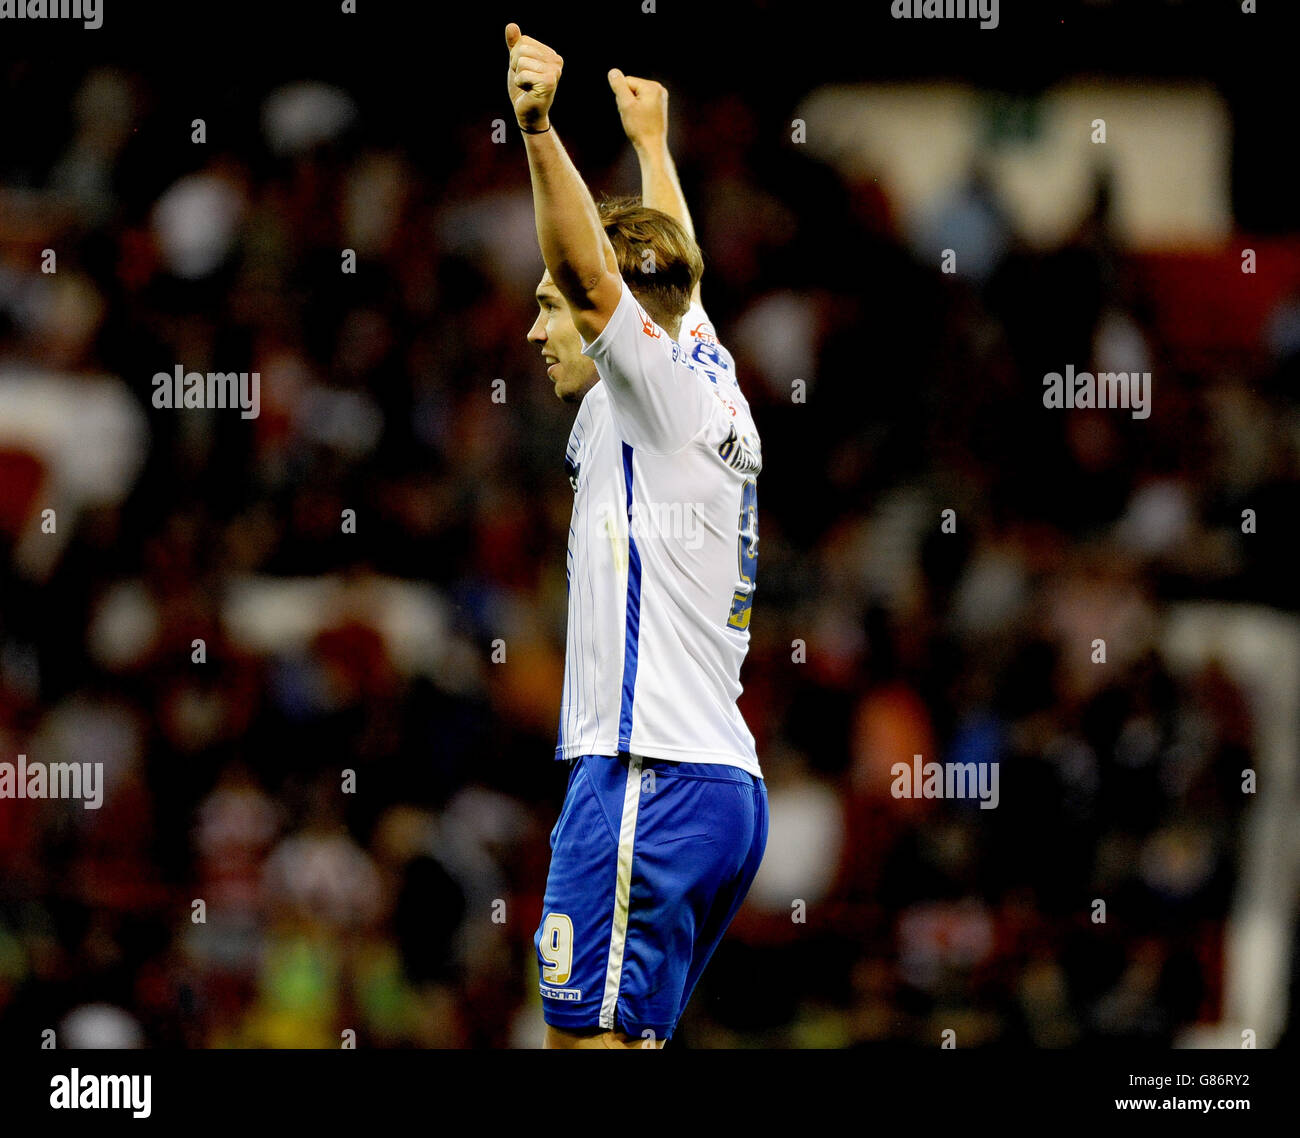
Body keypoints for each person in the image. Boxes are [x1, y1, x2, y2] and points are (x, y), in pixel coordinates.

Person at [506, 22, 767, 1049]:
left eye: (548, 311)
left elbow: (590, 269)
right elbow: (676, 275)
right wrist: (655, 147)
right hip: (717, 787)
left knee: (585, 1046)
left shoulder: (650, 388)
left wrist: (538, 129)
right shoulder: (708, 370)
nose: (538, 330)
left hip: (644, 775)